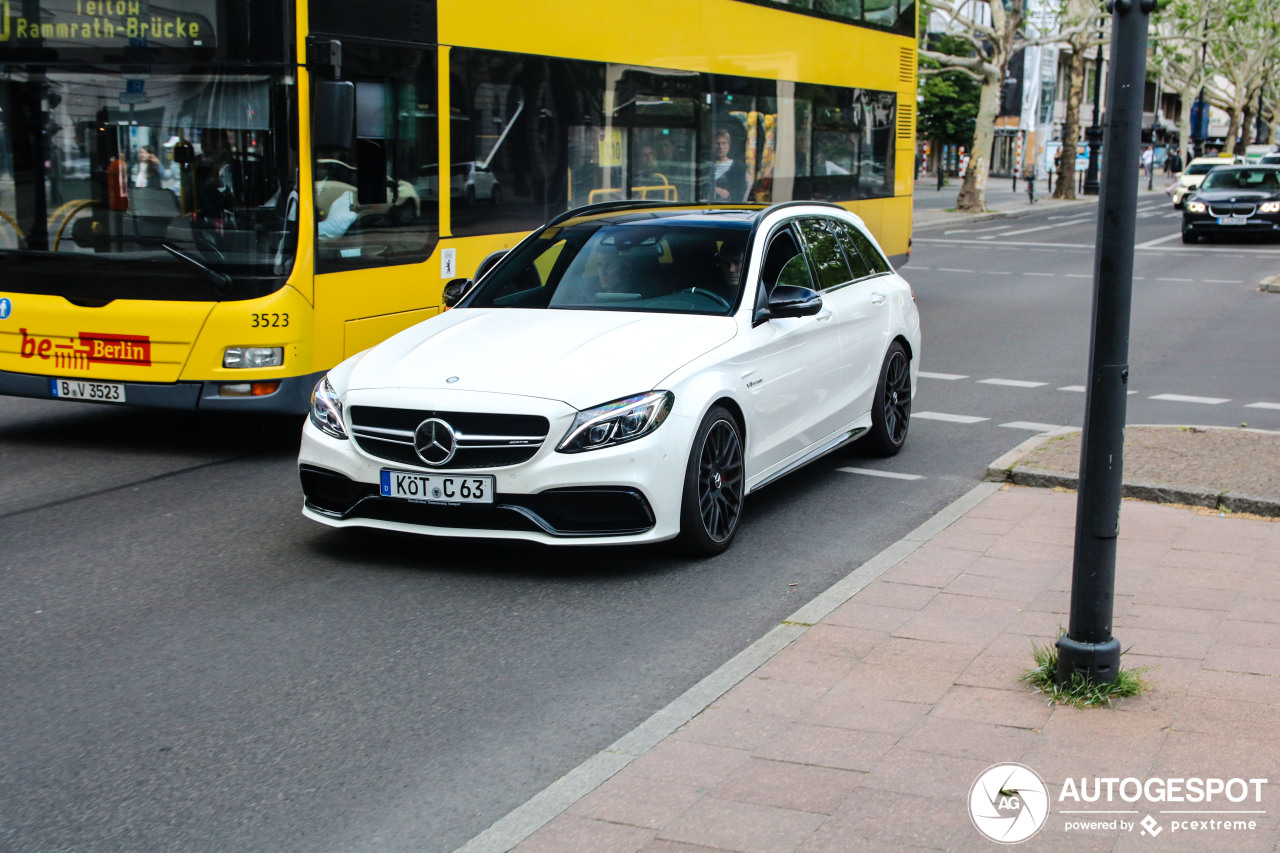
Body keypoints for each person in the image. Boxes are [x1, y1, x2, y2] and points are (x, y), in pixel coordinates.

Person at [711, 128, 746, 202]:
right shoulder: (707, 166)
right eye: (718, 143)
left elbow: (739, 191)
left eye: (724, 143)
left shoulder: (738, 167)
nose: (721, 147)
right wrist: (716, 190)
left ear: (729, 145)